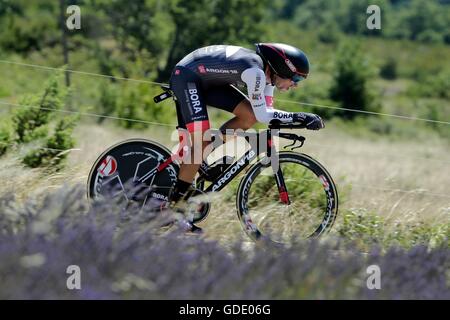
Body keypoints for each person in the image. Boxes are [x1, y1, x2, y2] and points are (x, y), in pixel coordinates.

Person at [167, 43, 325, 233]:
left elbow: (264, 113)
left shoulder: (267, 79)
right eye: (296, 78)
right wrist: (298, 117)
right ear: (283, 68)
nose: (296, 85)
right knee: (200, 144)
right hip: (188, 77)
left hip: (208, 80)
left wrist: (296, 119)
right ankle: (175, 208)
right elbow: (264, 115)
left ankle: (203, 154)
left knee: (248, 117)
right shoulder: (255, 72)